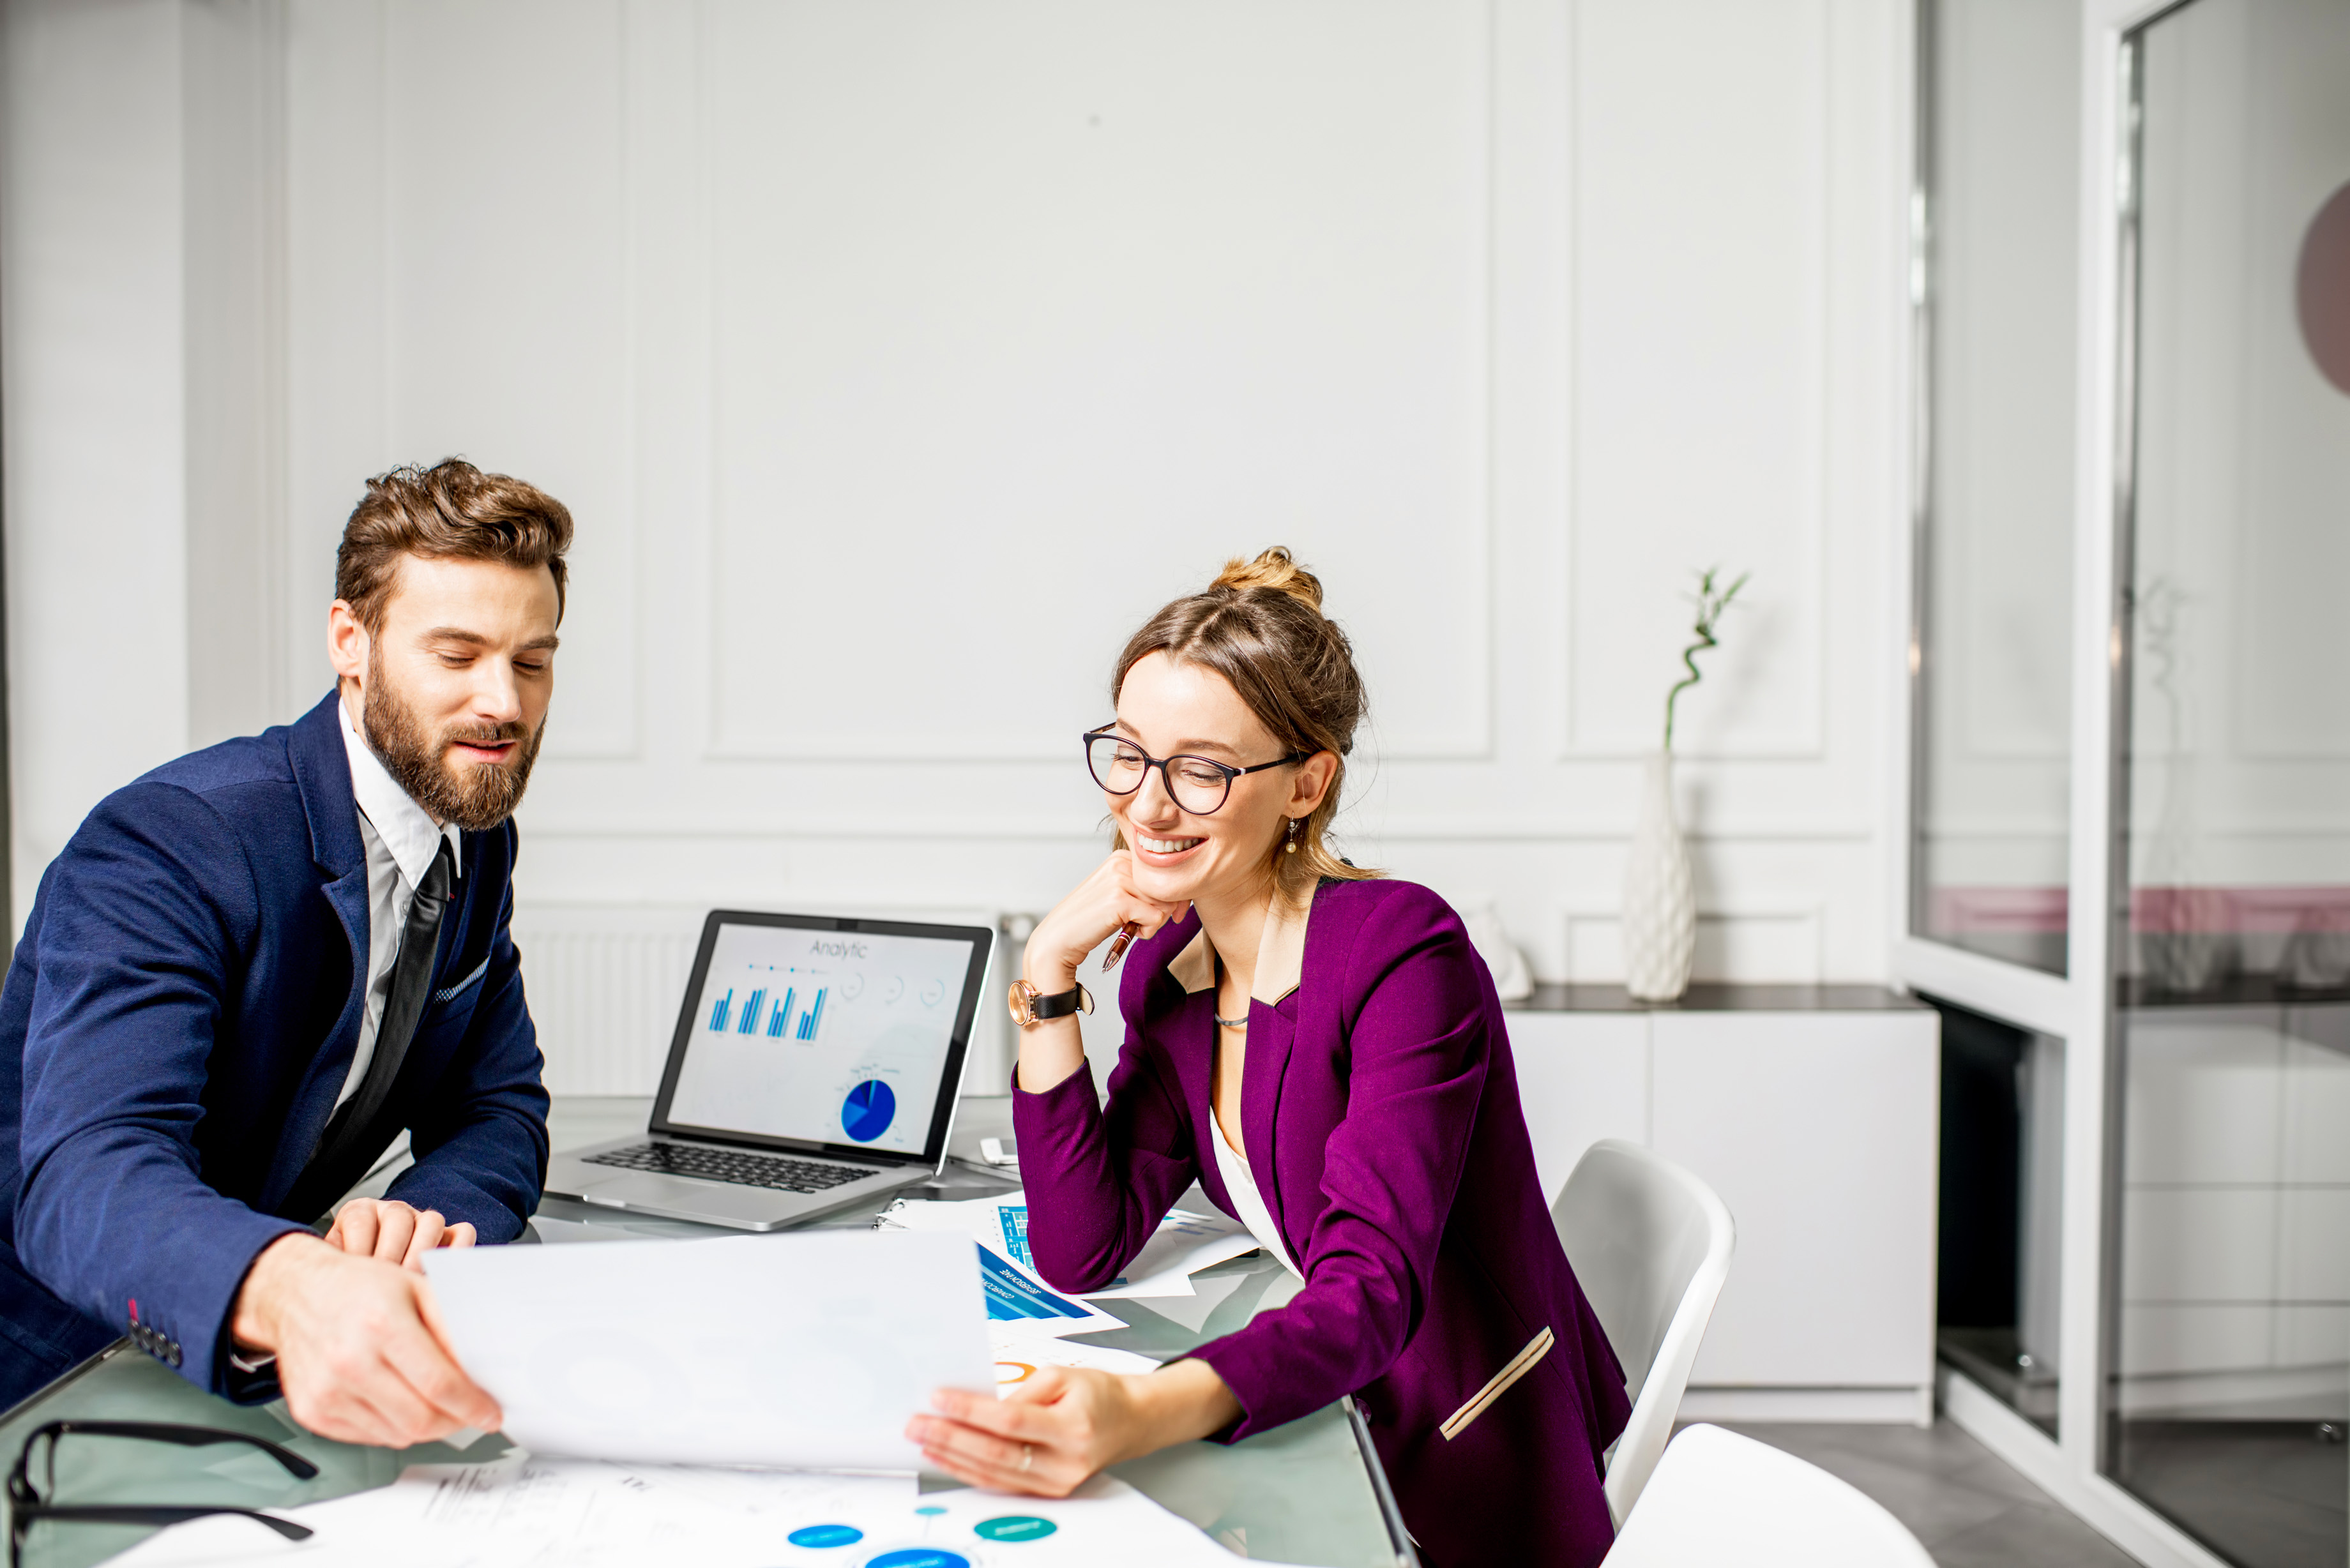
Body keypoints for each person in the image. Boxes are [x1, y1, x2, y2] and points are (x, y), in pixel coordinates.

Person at [907, 548, 1632, 1567]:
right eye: (1130, 753)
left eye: (1203, 769)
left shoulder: (1403, 953)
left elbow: (1369, 1287)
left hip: (1456, 1458)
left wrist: (1145, 1409)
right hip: (1317, 1412)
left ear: (1305, 782)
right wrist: (1048, 971)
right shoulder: (1171, 968)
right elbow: (1082, 1243)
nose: (1150, 807)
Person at [0, 458, 565, 1446]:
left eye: (530, 660)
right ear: (352, 641)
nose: (504, 705)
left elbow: (496, 1105)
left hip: (260, 1391)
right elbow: (88, 1169)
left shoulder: (473, 834)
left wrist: (420, 1225)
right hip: (53, 1374)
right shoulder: (172, 841)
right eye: (458, 655)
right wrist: (297, 1285)